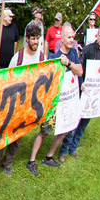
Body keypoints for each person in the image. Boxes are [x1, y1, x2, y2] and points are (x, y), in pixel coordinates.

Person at [26, 23, 83, 176]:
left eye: (73, 37)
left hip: (69, 102)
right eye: (69, 37)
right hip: (55, 103)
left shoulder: (73, 54)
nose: (72, 40)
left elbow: (80, 71)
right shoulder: (54, 57)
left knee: (65, 130)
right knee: (45, 131)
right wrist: (62, 65)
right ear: (62, 38)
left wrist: (69, 63)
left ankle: (49, 156)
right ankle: (31, 160)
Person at [0, 24, 46, 177]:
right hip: (13, 102)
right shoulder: (18, 58)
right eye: (32, 38)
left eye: (37, 38)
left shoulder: (42, 57)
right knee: (3, 133)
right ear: (26, 39)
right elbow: (8, 80)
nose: (35, 41)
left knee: (18, 136)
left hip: (29, 104)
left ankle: (8, 164)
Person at [59, 23, 100, 162]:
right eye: (99, 35)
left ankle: (73, 148)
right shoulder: (88, 50)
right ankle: (64, 151)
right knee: (74, 121)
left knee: (84, 123)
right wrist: (81, 82)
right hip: (83, 90)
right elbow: (80, 68)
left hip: (96, 94)